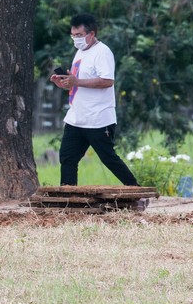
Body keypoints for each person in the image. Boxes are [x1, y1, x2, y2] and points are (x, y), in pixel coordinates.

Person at [50, 13, 138, 186]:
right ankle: (68, 200)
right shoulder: (80, 52)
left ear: (91, 34)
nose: (76, 39)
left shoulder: (102, 52)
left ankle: (136, 190)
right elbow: (77, 84)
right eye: (73, 35)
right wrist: (64, 84)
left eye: (79, 35)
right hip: (77, 118)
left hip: (98, 119)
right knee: (67, 158)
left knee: (108, 158)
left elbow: (107, 81)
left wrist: (77, 81)